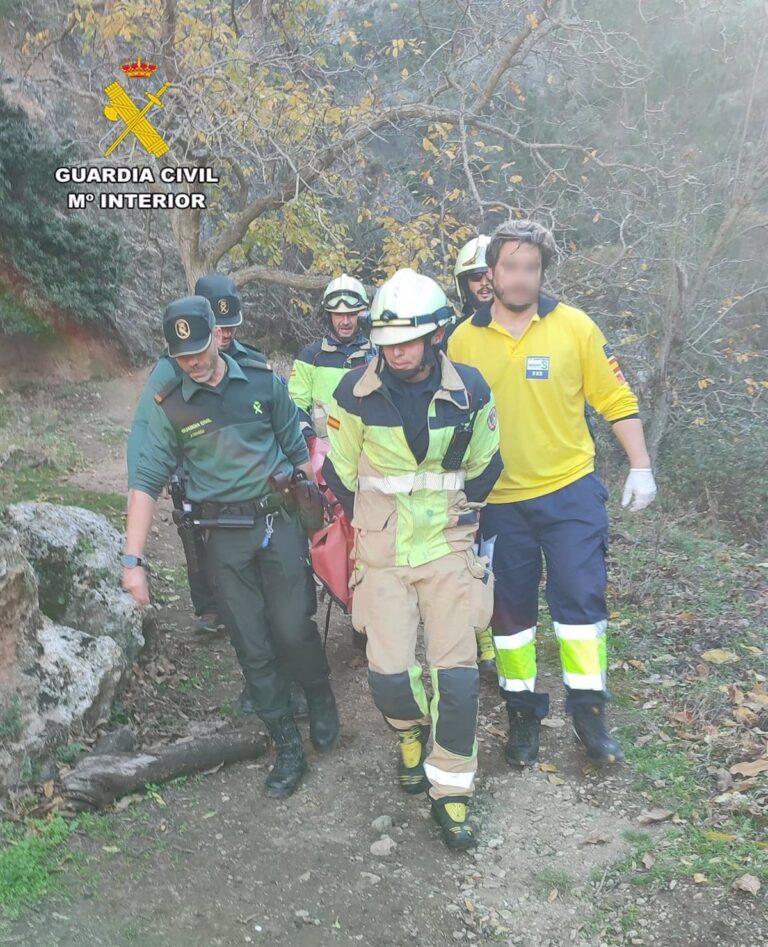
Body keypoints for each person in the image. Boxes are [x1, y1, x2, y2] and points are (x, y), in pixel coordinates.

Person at [448, 220, 658, 767]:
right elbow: (445, 418)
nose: (521, 278)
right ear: (489, 275)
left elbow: (614, 397)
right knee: (510, 619)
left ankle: (590, 715)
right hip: (498, 503)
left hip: (570, 493)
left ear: (542, 273)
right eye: (510, 267)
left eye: (531, 268)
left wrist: (640, 465)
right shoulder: (461, 340)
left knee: (581, 606)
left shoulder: (576, 328)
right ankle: (523, 719)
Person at [123, 295, 340, 799]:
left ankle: (319, 695)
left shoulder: (264, 383)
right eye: (182, 357)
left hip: (278, 525)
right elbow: (145, 482)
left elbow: (299, 452)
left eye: (199, 350)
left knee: (292, 628)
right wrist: (133, 560)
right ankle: (287, 746)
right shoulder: (171, 405)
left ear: (218, 337)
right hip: (222, 537)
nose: (193, 363)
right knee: (251, 642)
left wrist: (313, 511)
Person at [323, 268, 502, 849]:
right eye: (386, 342)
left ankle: (450, 793)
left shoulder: (472, 391)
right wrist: (376, 524)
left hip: (448, 547)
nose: (396, 352)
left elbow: (486, 465)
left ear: (436, 336)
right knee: (390, 677)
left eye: (408, 340)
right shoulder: (352, 393)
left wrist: (457, 522)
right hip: (382, 552)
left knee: (458, 680)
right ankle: (408, 731)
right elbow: (339, 473)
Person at [126, 273, 267, 636]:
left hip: (236, 467)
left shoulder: (249, 361)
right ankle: (208, 607)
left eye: (230, 329)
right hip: (187, 465)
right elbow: (144, 424)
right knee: (195, 536)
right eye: (218, 329)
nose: (224, 336)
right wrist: (139, 481)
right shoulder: (171, 365)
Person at [448, 234, 496, 673]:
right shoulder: (452, 336)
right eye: (474, 276)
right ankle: (482, 643)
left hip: (520, 462)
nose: (483, 283)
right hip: (470, 461)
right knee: (472, 553)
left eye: (488, 274)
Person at [288, 275, 374, 438]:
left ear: (362, 314)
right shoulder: (310, 357)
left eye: (352, 314)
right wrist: (309, 440)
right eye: (339, 315)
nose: (345, 321)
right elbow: (295, 405)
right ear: (328, 315)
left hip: (369, 453)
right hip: (324, 452)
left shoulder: (378, 354)